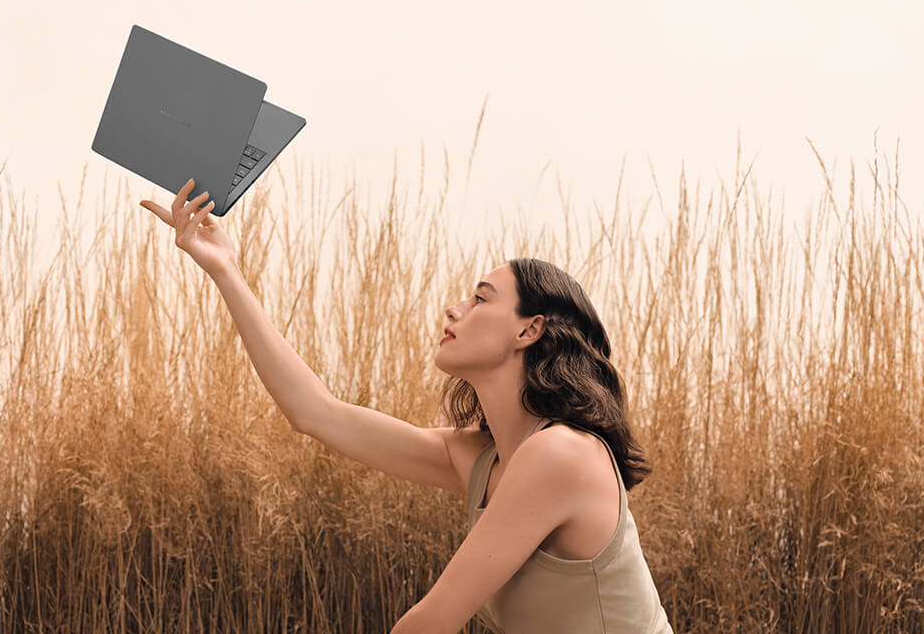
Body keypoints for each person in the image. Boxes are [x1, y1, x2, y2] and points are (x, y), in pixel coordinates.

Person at [140, 179, 673, 634]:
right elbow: (316, 413)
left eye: (481, 298)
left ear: (529, 330)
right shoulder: (482, 459)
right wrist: (225, 270)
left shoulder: (562, 454)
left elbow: (427, 624)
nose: (454, 306)